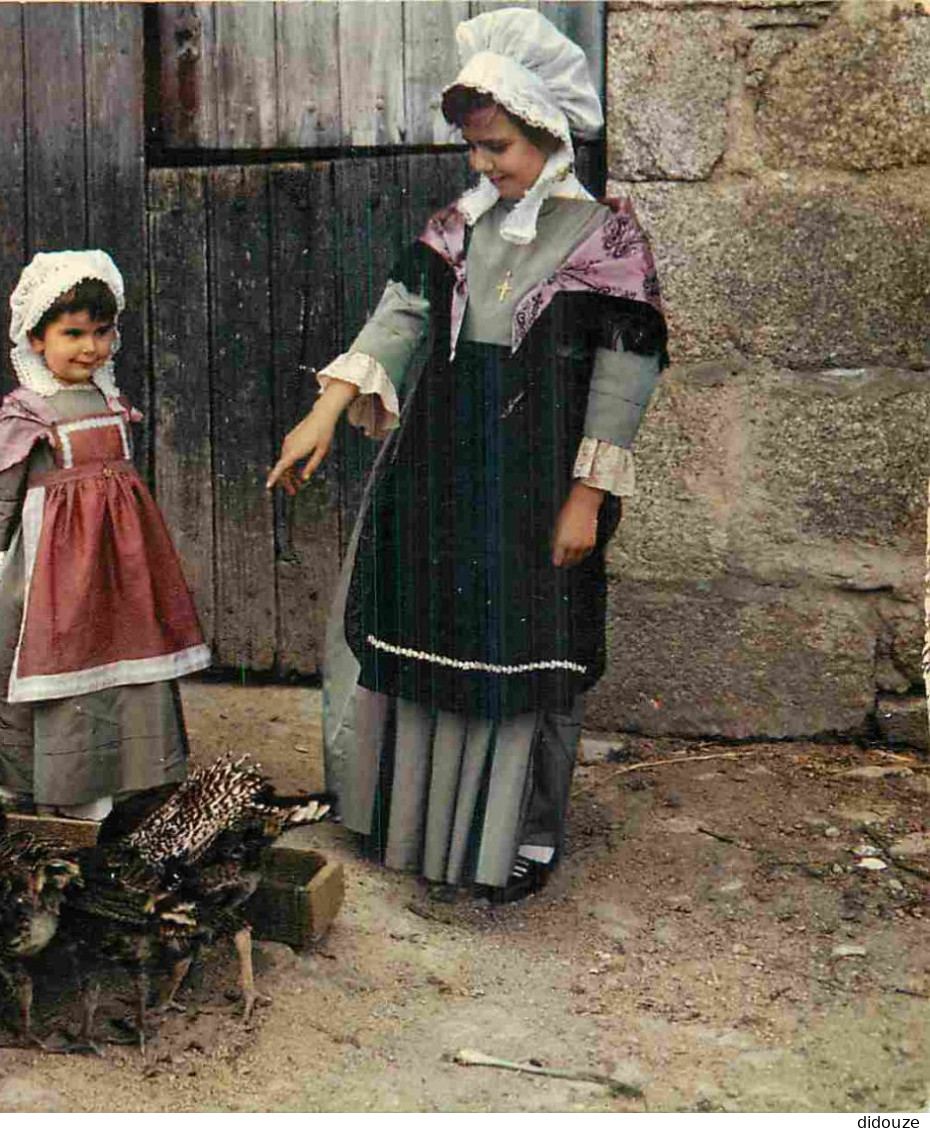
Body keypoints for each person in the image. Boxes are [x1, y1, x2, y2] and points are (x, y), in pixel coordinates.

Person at [267, 9, 667, 902]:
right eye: (476, 151)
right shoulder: (458, 227)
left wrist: (585, 499)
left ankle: (517, 835)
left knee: (526, 648)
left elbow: (624, 377)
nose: (484, 166)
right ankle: (408, 819)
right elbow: (399, 317)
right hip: (442, 469)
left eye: (500, 148)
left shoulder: (607, 242)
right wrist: (327, 410)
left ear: (548, 134)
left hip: (534, 481)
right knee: (428, 626)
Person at [0, 250, 211, 819]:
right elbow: (2, 482)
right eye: (73, 333)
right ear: (36, 339)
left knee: (123, 654)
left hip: (117, 563)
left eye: (101, 333)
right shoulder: (29, 411)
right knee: (46, 658)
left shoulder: (111, 402)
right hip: (53, 567)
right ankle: (44, 776)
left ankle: (121, 771)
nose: (90, 348)